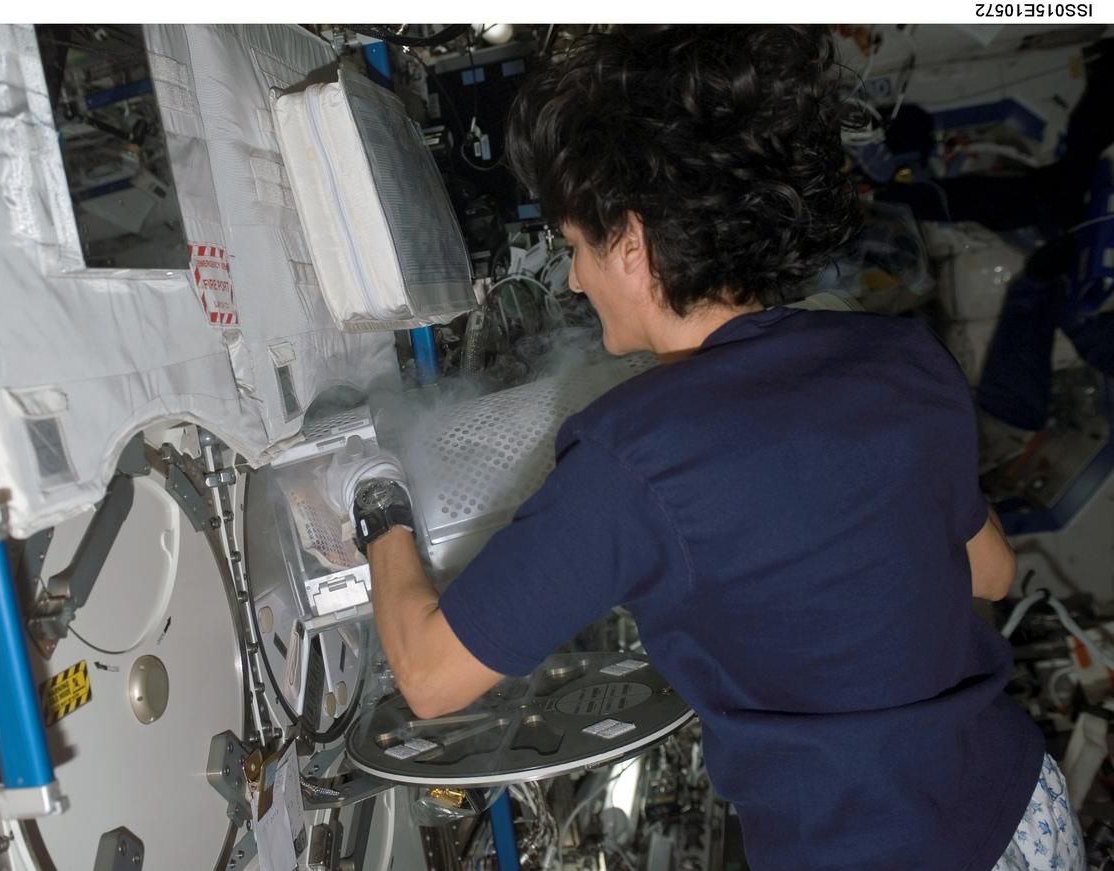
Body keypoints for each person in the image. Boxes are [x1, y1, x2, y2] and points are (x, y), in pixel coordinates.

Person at [343, 26, 1082, 870]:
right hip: (1023, 810)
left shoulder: (637, 453)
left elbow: (431, 678)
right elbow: (990, 572)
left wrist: (379, 498)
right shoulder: (903, 360)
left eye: (576, 246)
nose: (576, 279)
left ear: (632, 240)